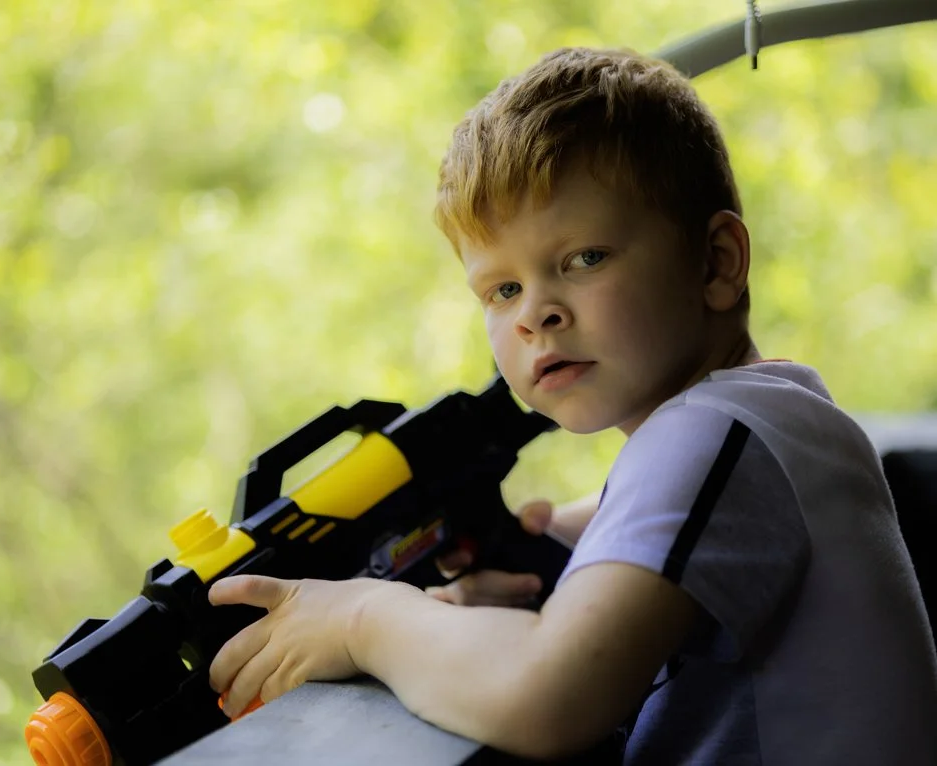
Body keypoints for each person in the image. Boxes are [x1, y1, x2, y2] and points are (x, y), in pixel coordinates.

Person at [206, 47, 937, 763]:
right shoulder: (782, 414)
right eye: (502, 290)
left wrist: (364, 619)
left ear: (716, 263)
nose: (535, 315)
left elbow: (547, 699)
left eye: (583, 259)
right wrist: (556, 541)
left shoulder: (718, 432)